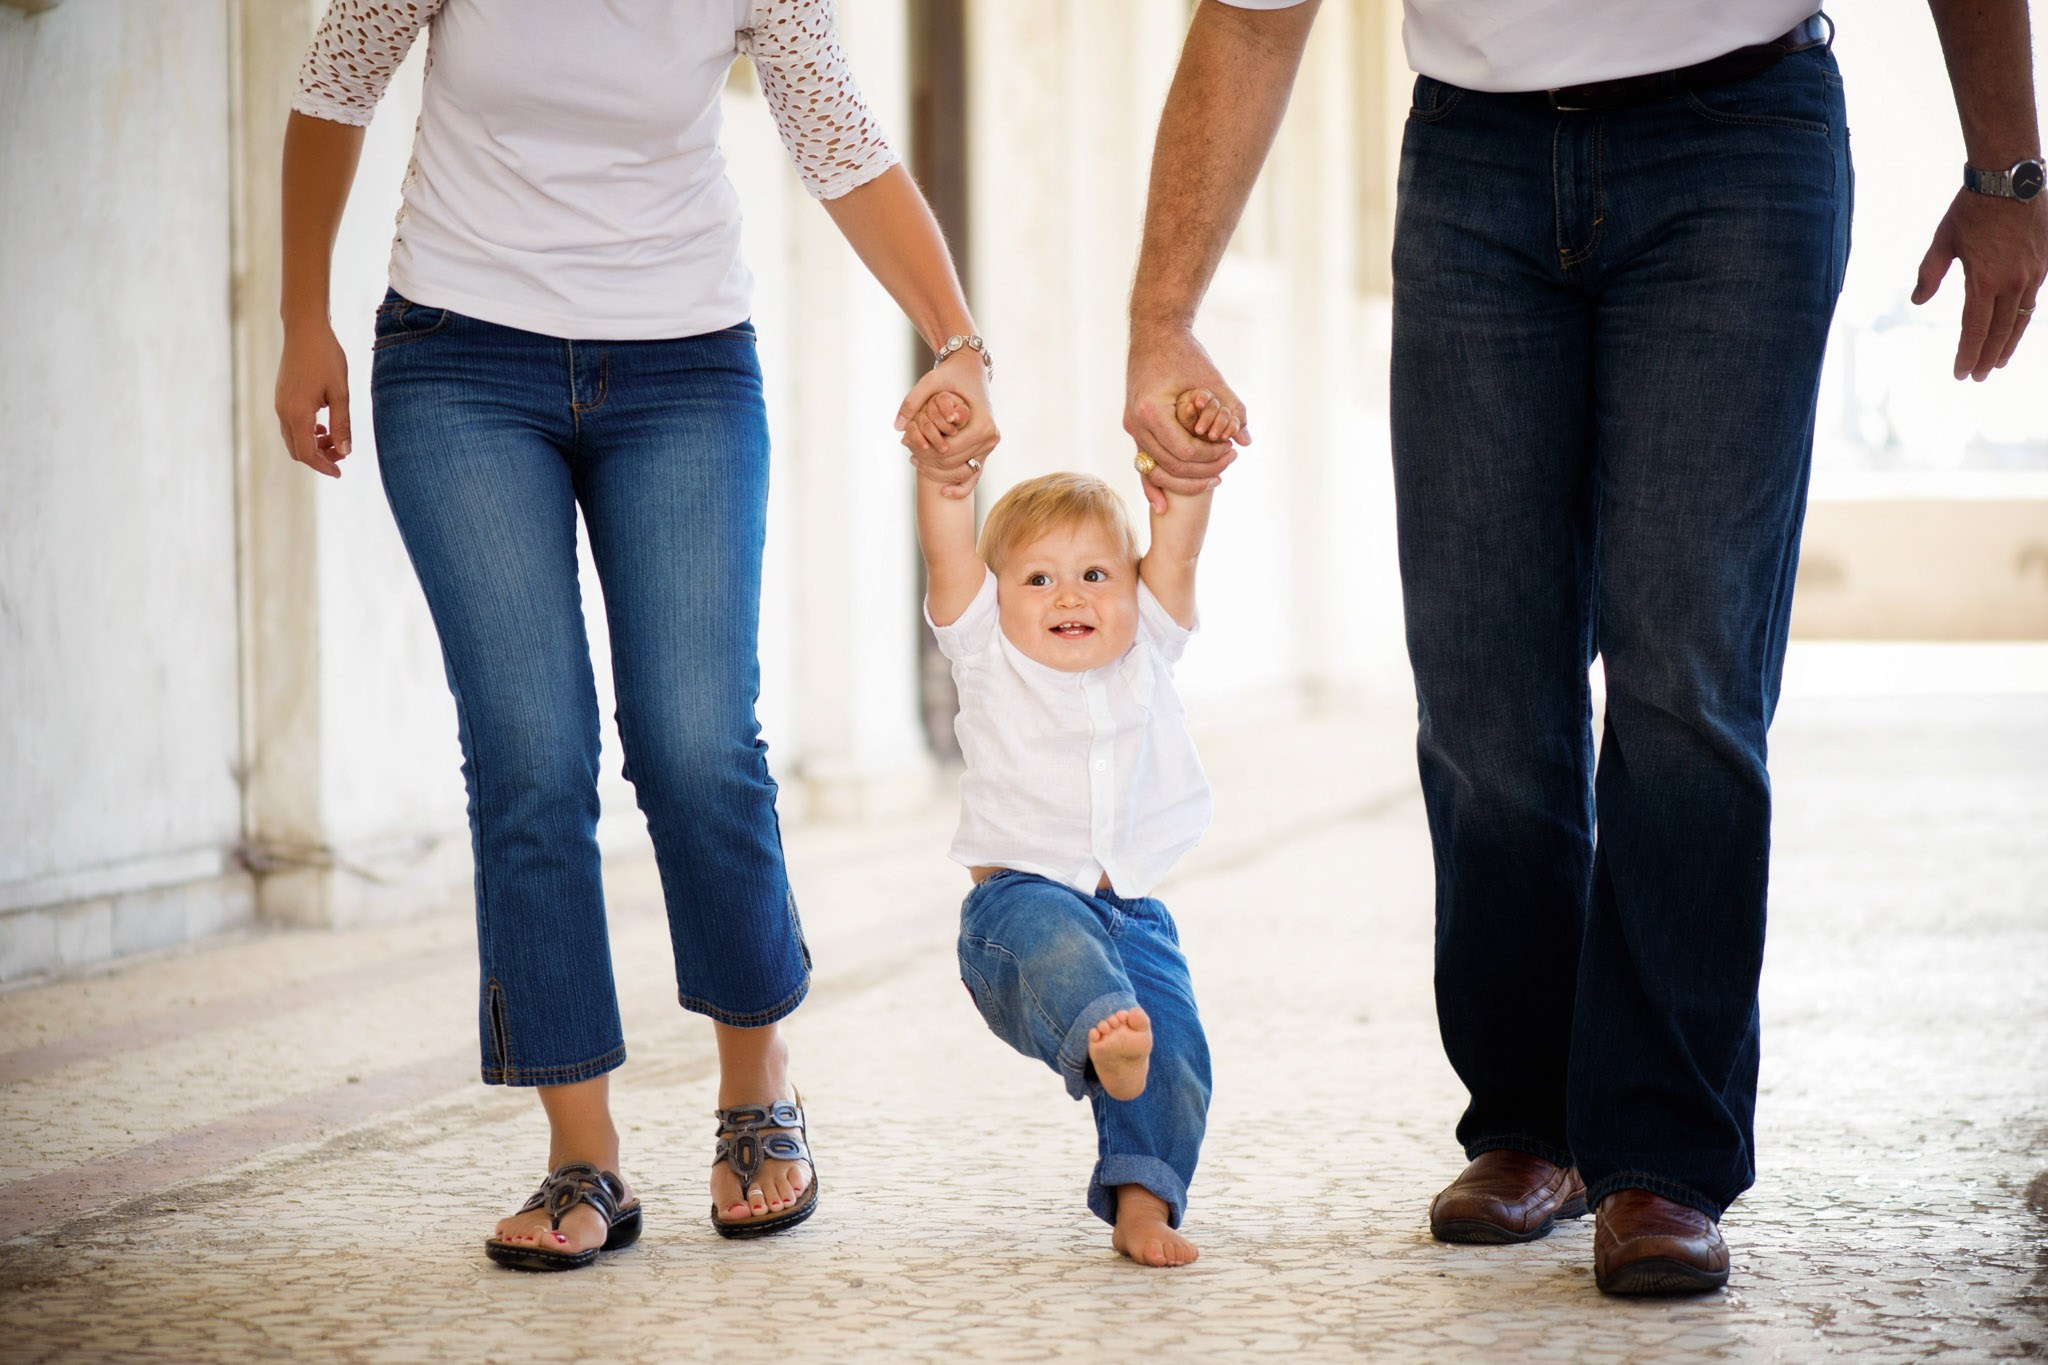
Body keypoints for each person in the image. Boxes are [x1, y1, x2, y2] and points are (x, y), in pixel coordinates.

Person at [1122, 0, 2044, 1295]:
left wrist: (2008, 169)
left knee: (1685, 672)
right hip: (1474, 159)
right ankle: (1529, 1119)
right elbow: (1256, 21)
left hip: (1737, 142)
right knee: (1483, 690)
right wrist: (1163, 314)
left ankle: (1661, 1154)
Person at [273, 0, 995, 1269]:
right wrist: (297, 322)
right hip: (457, 359)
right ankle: (580, 1155)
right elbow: (334, 92)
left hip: (684, 369)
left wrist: (958, 340)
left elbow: (839, 142)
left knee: (695, 736)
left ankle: (757, 1095)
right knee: (531, 756)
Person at [904, 391, 1237, 1266]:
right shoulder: (983, 646)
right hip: (1016, 909)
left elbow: (1177, 542)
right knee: (1073, 962)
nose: (1069, 596)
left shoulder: (1147, 646)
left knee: (1175, 1050)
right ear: (996, 595)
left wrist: (1187, 470)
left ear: (1131, 588)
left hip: (1131, 909)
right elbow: (946, 543)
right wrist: (944, 476)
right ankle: (1100, 1033)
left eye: (1096, 574)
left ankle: (1142, 1201)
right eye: (1038, 578)